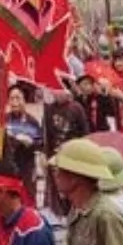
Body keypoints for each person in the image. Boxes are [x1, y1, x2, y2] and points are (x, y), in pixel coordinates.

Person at [40, 84, 90, 218]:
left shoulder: (77, 108)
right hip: (55, 156)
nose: (58, 93)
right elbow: (45, 135)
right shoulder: (49, 109)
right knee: (56, 189)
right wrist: (44, 154)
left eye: (61, 89)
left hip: (73, 156)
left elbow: (85, 132)